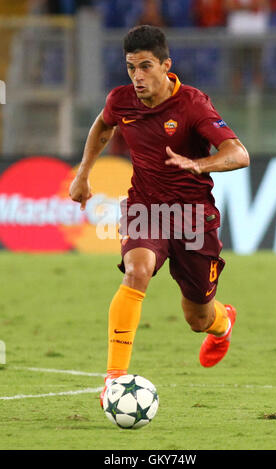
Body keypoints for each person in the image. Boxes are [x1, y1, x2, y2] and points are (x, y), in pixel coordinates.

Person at [69, 25, 250, 406]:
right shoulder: (121, 101)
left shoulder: (193, 105)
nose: (137, 76)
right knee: (137, 271)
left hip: (193, 219)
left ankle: (223, 322)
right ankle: (114, 379)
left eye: (145, 66)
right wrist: (83, 172)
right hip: (145, 208)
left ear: (166, 66)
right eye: (131, 67)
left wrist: (200, 164)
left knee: (197, 317)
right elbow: (103, 124)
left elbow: (238, 154)